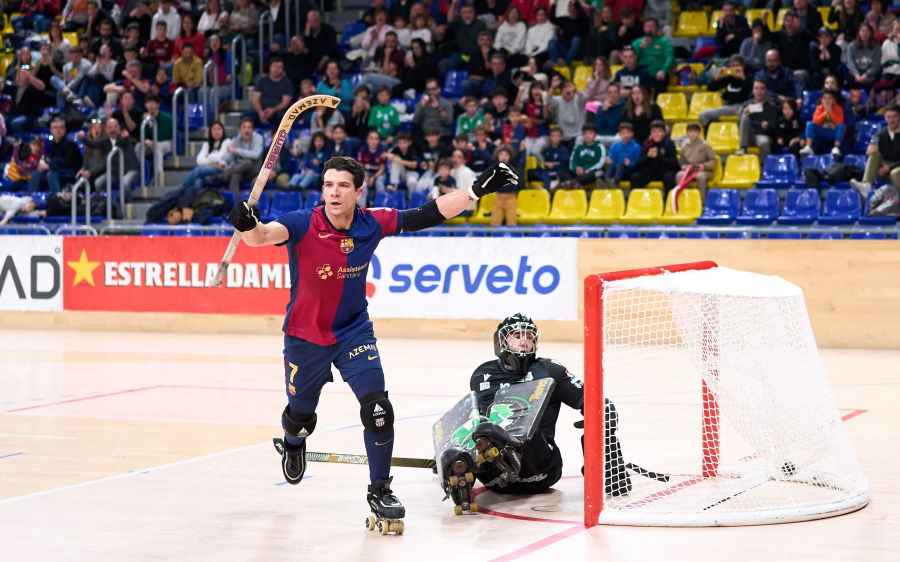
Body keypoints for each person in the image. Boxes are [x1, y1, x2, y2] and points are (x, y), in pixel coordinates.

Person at [226, 156, 518, 526]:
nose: (334, 191)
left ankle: (380, 489)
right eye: (328, 184)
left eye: (343, 185)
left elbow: (427, 214)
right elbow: (262, 237)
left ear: (358, 192)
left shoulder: (371, 222)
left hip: (354, 332)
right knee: (300, 418)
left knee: (378, 410)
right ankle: (294, 444)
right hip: (306, 337)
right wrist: (247, 225)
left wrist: (476, 190)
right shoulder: (304, 222)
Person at [458, 314, 588, 496]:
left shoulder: (550, 370)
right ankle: (458, 468)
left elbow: (591, 401)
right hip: (495, 478)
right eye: (518, 336)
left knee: (521, 428)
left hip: (542, 472)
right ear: (502, 340)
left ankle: (510, 450)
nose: (525, 341)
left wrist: (603, 418)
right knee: (480, 427)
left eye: (529, 337)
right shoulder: (482, 374)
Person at [81, 117, 141, 201]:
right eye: (110, 127)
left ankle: (126, 205)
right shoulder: (106, 142)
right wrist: (83, 138)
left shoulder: (122, 137)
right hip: (115, 173)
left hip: (130, 170)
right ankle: (105, 204)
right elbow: (93, 144)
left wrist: (126, 137)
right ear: (106, 129)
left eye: (115, 127)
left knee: (124, 183)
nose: (113, 130)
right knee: (98, 183)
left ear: (119, 128)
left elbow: (125, 142)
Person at [851, 104, 900, 197]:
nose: (892, 120)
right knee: (873, 152)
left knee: (895, 173)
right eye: (889, 117)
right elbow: (870, 153)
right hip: (883, 170)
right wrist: (868, 152)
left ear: (899, 116)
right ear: (885, 117)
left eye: (894, 117)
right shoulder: (878, 135)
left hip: (897, 169)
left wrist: (890, 167)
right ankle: (866, 185)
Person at [31, 119, 84, 194]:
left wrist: (49, 165)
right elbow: (54, 160)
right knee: (36, 174)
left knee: (51, 174)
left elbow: (69, 163)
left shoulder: (70, 143)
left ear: (64, 129)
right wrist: (48, 162)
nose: (58, 130)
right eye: (55, 128)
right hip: (57, 168)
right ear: (51, 130)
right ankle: (32, 199)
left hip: (71, 171)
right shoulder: (53, 144)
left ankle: (57, 199)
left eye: (61, 127)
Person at [700, 55, 752, 128]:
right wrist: (718, 76)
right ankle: (714, 131)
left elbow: (752, 93)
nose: (736, 68)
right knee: (703, 115)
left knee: (746, 113)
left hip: (744, 106)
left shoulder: (749, 77)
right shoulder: (728, 78)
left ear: (743, 66)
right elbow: (710, 88)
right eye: (733, 66)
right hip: (729, 107)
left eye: (738, 66)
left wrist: (743, 79)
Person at [765, 10, 811, 92]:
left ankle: (799, 100)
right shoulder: (781, 35)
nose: (789, 24)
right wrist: (765, 22)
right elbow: (768, 36)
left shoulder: (803, 35)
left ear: (797, 22)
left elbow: (809, 38)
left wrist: (800, 28)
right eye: (787, 21)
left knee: (798, 79)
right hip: (784, 71)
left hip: (799, 70)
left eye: (792, 21)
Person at [217, 116, 264, 196]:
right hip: (239, 171)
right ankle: (236, 205)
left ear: (252, 129)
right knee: (235, 176)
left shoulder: (258, 138)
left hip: (254, 170)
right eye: (244, 127)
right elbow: (229, 154)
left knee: (248, 162)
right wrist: (223, 161)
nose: (247, 130)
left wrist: (236, 150)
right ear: (239, 130)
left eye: (249, 127)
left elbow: (255, 155)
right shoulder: (236, 140)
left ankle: (225, 175)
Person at [629, 120, 679, 193]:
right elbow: (638, 164)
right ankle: (638, 201)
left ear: (664, 133)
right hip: (651, 171)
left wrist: (658, 156)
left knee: (669, 178)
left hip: (666, 170)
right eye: (654, 131)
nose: (656, 134)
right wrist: (648, 156)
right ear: (651, 133)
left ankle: (668, 201)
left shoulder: (669, 144)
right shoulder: (647, 143)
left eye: (659, 131)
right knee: (635, 177)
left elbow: (675, 164)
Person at [737, 79, 779, 163]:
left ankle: (765, 167)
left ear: (766, 90)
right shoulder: (747, 105)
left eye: (761, 89)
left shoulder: (772, 106)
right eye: (756, 88)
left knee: (764, 142)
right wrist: (744, 114)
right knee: (745, 117)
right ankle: (743, 148)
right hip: (749, 135)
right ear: (753, 90)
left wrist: (768, 125)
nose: (758, 91)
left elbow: (775, 126)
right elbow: (739, 125)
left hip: (763, 135)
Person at [181, 121, 231, 190]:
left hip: (220, 171)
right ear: (211, 132)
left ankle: (180, 190)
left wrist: (208, 158)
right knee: (198, 181)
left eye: (219, 129)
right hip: (208, 170)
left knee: (198, 170)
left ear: (223, 131)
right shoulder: (207, 144)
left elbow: (219, 158)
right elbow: (199, 160)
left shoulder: (227, 142)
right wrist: (214, 163)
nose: (217, 131)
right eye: (214, 129)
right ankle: (197, 200)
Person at [631, 18, 673, 94]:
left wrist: (663, 70)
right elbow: (630, 60)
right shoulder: (637, 43)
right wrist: (640, 48)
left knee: (661, 81)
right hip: (641, 74)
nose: (650, 28)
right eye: (647, 26)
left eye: (652, 26)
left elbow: (670, 57)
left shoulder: (664, 42)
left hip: (659, 74)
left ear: (657, 28)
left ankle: (658, 104)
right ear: (644, 28)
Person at [676, 122, 717, 199]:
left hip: (705, 171)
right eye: (690, 132)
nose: (693, 134)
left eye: (695, 131)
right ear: (687, 133)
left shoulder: (705, 145)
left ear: (699, 133)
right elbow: (682, 162)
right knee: (679, 175)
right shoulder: (684, 146)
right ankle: (683, 199)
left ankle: (702, 201)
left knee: (700, 176)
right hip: (690, 170)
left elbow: (714, 160)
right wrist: (686, 167)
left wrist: (704, 166)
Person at [800, 88, 845, 158]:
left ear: (834, 100)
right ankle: (808, 146)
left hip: (833, 132)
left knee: (842, 126)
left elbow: (839, 121)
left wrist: (830, 112)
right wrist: (825, 113)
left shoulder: (838, 108)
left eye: (830, 98)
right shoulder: (819, 108)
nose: (827, 101)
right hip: (822, 131)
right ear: (821, 100)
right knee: (810, 124)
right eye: (825, 98)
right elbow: (815, 120)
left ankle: (836, 147)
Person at [248, 57, 293, 127]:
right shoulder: (261, 81)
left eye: (279, 67)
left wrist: (273, 110)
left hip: (278, 111)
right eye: (275, 66)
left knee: (283, 118)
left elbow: (285, 103)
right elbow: (255, 100)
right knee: (247, 118)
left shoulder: (287, 83)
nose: (276, 69)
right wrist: (260, 113)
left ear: (283, 69)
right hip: (261, 111)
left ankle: (279, 137)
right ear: (270, 67)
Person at [548, 0, 590, 68]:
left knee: (576, 39)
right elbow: (552, 19)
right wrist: (555, 4)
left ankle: (565, 65)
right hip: (565, 50)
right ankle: (555, 65)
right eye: (570, 6)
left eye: (574, 7)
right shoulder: (565, 19)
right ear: (568, 9)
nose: (572, 8)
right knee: (551, 42)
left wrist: (577, 4)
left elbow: (584, 17)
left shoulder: (582, 20)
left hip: (577, 52)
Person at [551, 78, 587, 150]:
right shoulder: (558, 100)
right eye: (565, 88)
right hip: (563, 136)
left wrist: (575, 90)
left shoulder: (579, 99)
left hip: (578, 135)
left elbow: (585, 97)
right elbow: (548, 99)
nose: (567, 89)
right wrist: (552, 88)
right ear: (561, 91)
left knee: (578, 143)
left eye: (569, 87)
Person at [10, 64, 46, 135]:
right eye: (21, 72)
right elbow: (3, 87)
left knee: (16, 123)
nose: (23, 74)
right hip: (15, 114)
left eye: (25, 72)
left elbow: (42, 87)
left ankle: (21, 143)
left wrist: (30, 77)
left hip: (29, 116)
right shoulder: (16, 87)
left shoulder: (33, 86)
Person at [520, 82, 551, 160]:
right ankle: (525, 171)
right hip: (530, 134)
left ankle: (542, 169)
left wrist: (544, 101)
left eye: (539, 89)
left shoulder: (547, 103)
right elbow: (516, 108)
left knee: (535, 151)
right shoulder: (527, 102)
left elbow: (545, 116)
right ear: (531, 91)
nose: (537, 91)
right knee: (526, 152)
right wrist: (520, 92)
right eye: (534, 88)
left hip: (543, 134)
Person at [605, 122, 640, 187]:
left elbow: (638, 162)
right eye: (623, 133)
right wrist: (609, 161)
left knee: (620, 164)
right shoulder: (615, 146)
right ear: (619, 134)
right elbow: (613, 161)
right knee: (613, 165)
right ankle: (606, 182)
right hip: (616, 170)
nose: (625, 135)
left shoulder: (636, 147)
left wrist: (630, 163)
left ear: (632, 134)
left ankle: (614, 184)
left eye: (628, 133)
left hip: (629, 171)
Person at [847, 24, 881, 89]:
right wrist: (856, 75)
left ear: (871, 33)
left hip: (870, 75)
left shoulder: (877, 47)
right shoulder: (851, 47)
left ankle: (870, 99)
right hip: (855, 74)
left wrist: (866, 75)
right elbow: (850, 64)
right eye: (862, 31)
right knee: (850, 80)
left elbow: (875, 66)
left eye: (867, 31)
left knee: (873, 82)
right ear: (859, 32)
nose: (865, 34)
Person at [359, 129, 387, 201]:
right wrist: (366, 177)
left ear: (379, 141)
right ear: (367, 140)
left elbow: (382, 169)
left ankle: (382, 206)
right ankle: (362, 208)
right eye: (371, 139)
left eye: (376, 139)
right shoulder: (362, 150)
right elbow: (360, 167)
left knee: (379, 183)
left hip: (378, 174)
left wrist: (373, 178)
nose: (373, 141)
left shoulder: (382, 151)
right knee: (362, 184)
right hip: (366, 172)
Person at [595, 83, 625, 148]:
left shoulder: (624, 106)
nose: (612, 95)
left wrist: (621, 131)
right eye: (610, 92)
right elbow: (598, 127)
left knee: (619, 139)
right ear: (607, 94)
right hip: (601, 137)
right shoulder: (601, 107)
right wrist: (603, 111)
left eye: (615, 92)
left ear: (619, 93)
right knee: (580, 139)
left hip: (616, 136)